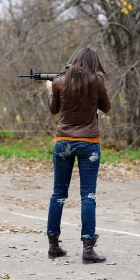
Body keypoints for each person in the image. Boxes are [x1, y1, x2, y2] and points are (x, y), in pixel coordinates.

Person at [45, 47, 111, 263]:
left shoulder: (60, 81)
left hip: (63, 141)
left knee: (58, 194)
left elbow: (53, 109)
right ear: (94, 63)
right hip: (89, 143)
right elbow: (106, 108)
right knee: (88, 196)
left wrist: (49, 90)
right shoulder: (97, 81)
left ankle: (53, 245)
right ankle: (88, 249)